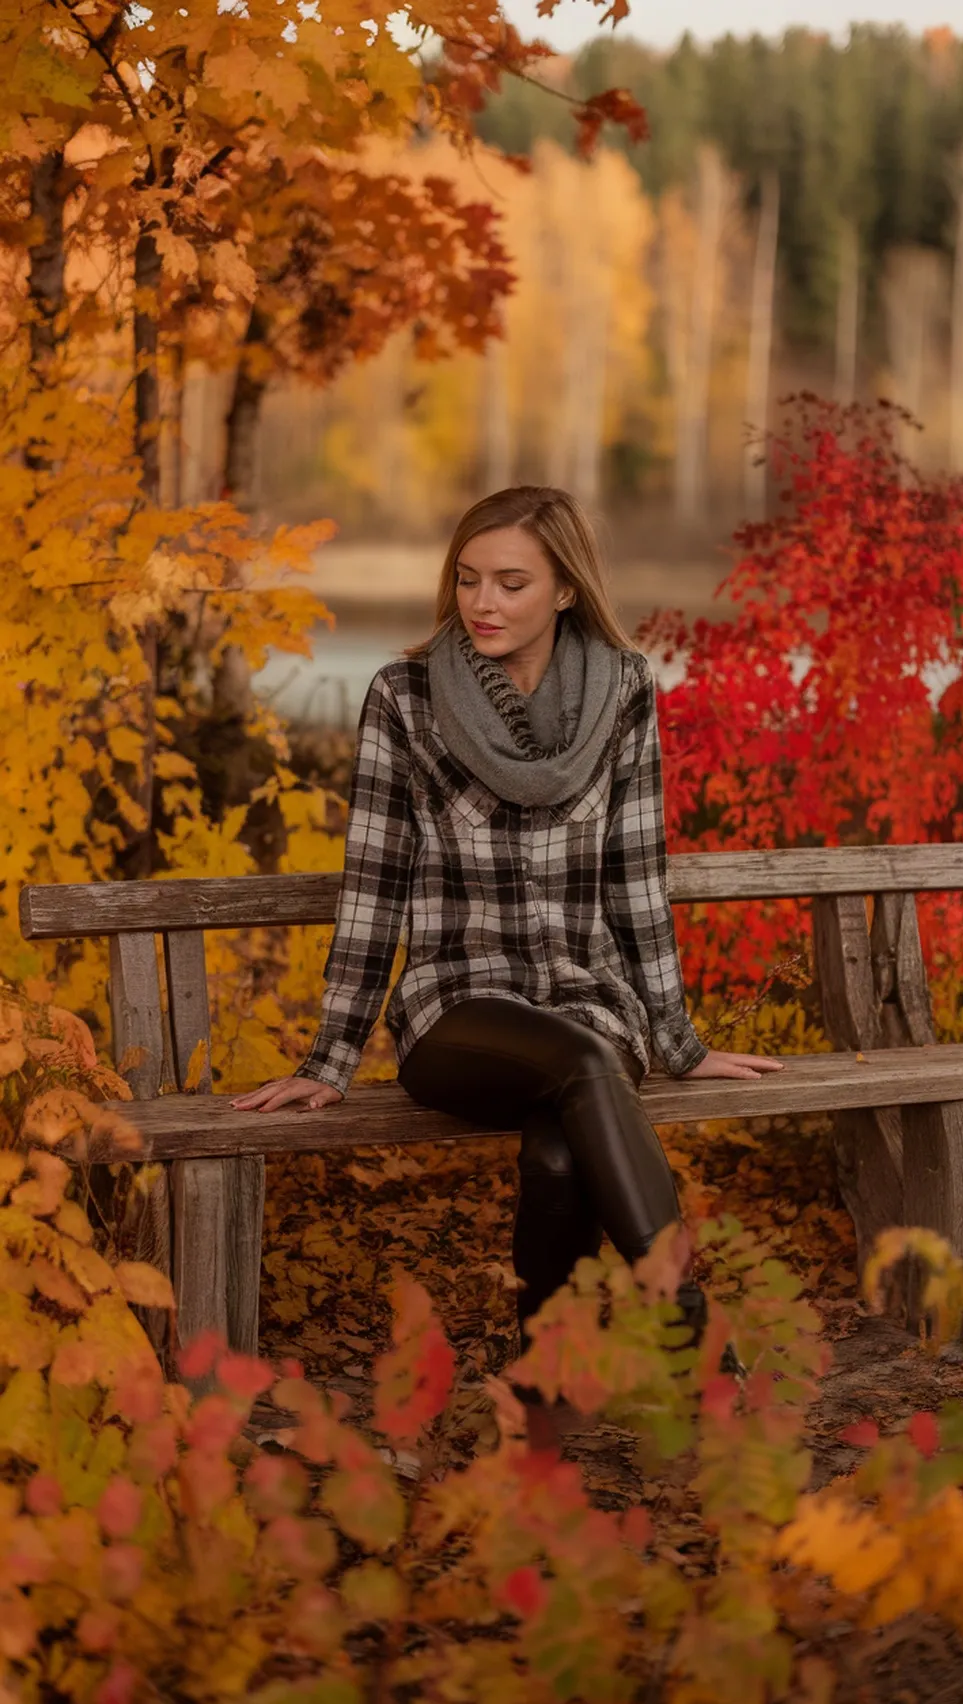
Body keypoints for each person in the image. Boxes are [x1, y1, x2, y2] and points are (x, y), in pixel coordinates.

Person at [231, 486, 783, 1449]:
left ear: (566, 588)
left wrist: (679, 1040)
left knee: (563, 1141)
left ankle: (545, 1384)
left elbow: (635, 880)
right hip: (459, 1006)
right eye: (468, 578)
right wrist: (330, 1056)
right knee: (579, 1064)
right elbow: (376, 884)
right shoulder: (403, 699)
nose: (482, 601)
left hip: (590, 994)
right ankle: (694, 1341)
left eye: (512, 582)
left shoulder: (626, 691)